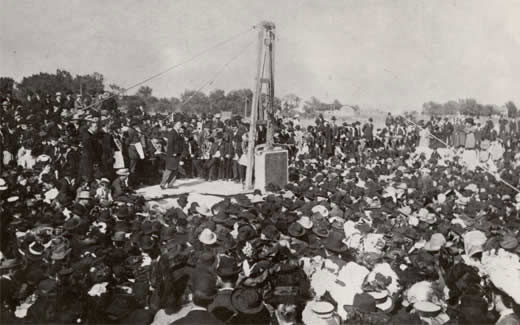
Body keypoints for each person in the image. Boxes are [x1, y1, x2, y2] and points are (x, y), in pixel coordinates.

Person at [161, 121, 184, 189]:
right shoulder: (172, 132)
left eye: (180, 124)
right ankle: (162, 184)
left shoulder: (177, 132)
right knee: (169, 169)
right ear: (174, 125)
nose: (179, 125)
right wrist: (172, 153)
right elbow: (170, 144)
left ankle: (170, 184)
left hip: (177, 154)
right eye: (178, 124)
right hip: (172, 154)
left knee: (175, 169)